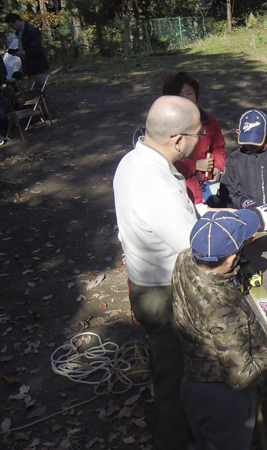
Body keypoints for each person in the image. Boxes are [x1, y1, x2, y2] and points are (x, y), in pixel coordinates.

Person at [113, 95, 206, 450]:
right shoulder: (160, 190)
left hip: (143, 283)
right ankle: (174, 441)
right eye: (198, 133)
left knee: (163, 366)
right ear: (178, 139)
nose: (202, 138)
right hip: (165, 297)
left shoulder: (132, 160)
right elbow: (197, 249)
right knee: (174, 382)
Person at [172, 210, 267, 450]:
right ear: (230, 259)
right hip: (224, 398)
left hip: (192, 379)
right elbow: (242, 375)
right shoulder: (224, 309)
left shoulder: (185, 260)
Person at [163, 72, 227, 212]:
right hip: (180, 193)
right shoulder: (164, 125)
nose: (186, 99)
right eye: (180, 95)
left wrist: (217, 166)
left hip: (208, 191)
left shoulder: (208, 121)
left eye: (189, 93)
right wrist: (194, 165)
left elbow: (219, 147)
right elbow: (162, 162)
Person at [5, 13, 49, 88]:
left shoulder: (31, 31)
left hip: (37, 65)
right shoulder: (20, 33)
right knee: (34, 88)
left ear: (17, 21)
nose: (13, 28)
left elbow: (37, 49)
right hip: (29, 65)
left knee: (38, 89)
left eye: (12, 25)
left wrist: (24, 53)